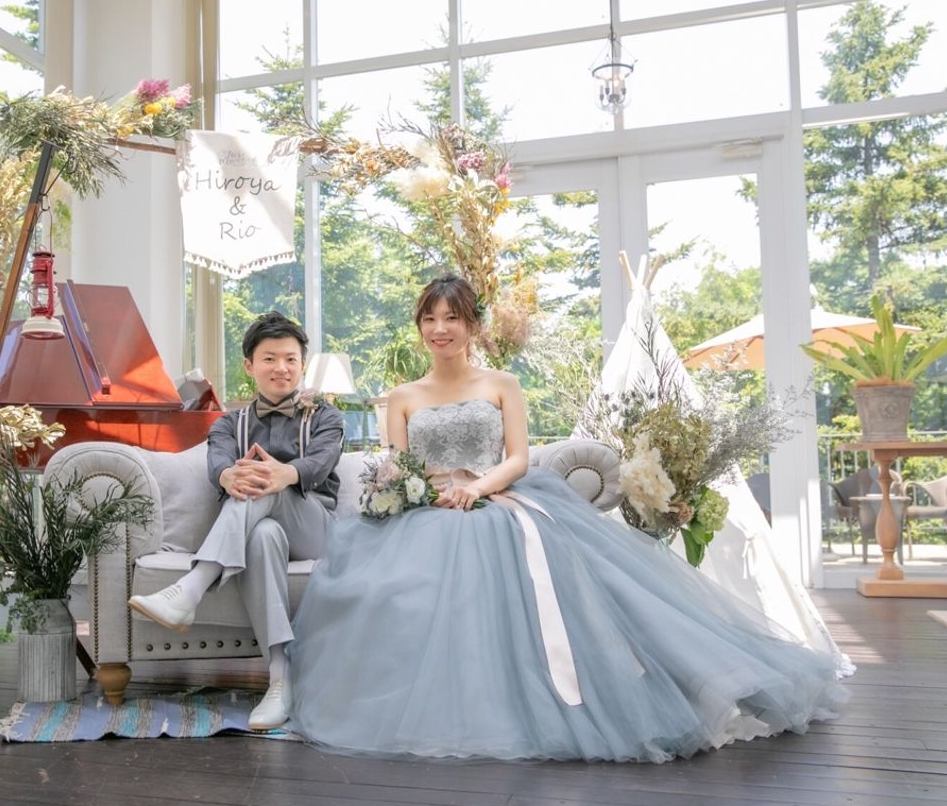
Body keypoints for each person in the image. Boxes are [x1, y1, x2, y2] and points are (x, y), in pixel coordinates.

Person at [287, 275, 847, 762]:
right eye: (429, 319)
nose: (440, 329)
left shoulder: (501, 384)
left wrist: (476, 488)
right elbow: (397, 464)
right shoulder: (403, 395)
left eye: (451, 318)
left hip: (497, 500)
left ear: (472, 325)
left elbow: (517, 458)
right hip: (427, 509)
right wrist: (420, 493)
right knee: (390, 588)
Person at [129, 311, 345, 731]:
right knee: (261, 534)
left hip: (314, 527)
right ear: (249, 365)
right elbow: (219, 463)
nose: (281, 368)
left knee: (265, 481)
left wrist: (286, 473)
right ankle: (279, 680)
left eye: (290, 359)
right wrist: (227, 475)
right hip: (263, 529)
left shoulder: (324, 417)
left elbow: (321, 462)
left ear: (302, 364)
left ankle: (192, 588)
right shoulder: (229, 423)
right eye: (269, 359)